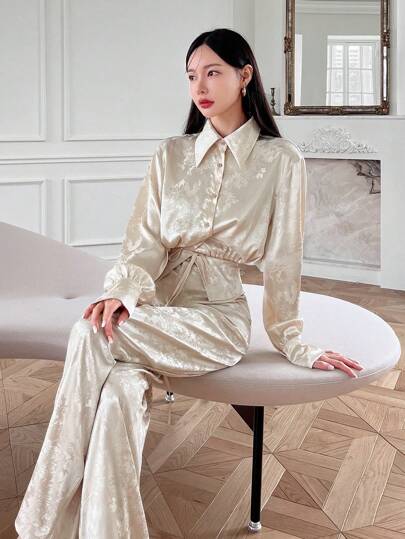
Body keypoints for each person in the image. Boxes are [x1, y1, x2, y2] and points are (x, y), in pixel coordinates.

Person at [14, 27, 364, 539]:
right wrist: (122, 293)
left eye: (213, 72)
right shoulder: (171, 154)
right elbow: (145, 240)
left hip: (216, 319)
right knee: (118, 394)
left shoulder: (281, 160)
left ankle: (39, 522)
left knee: (88, 334)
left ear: (244, 76)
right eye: (191, 75)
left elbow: (284, 259)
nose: (200, 86)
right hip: (154, 308)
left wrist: (294, 342)